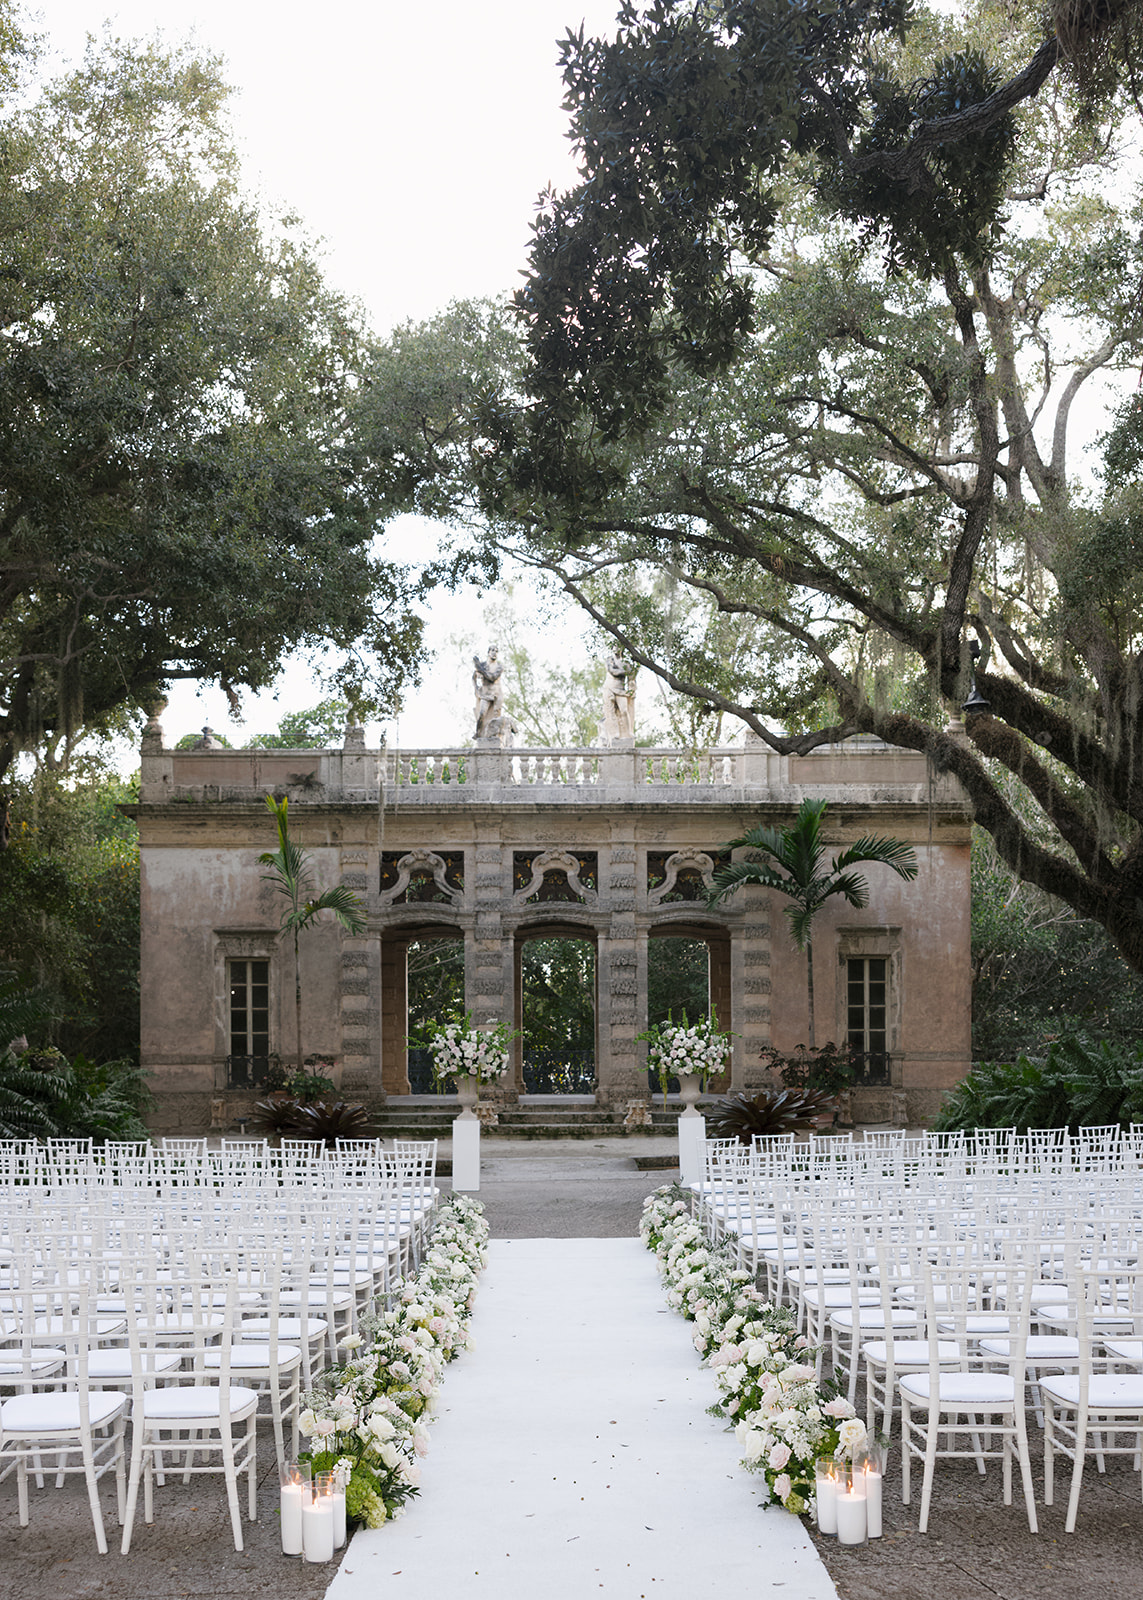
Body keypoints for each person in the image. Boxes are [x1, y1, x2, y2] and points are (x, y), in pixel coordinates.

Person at [473, 646, 504, 738]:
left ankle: (495, 735)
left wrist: (480, 669)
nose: (494, 653)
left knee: (496, 716)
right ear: (488, 652)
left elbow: (492, 678)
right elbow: (474, 676)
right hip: (485, 693)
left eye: (496, 651)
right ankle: (478, 732)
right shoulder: (483, 665)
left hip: (496, 693)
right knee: (482, 713)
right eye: (492, 651)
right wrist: (476, 688)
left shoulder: (499, 666)